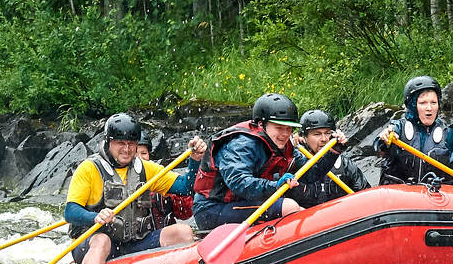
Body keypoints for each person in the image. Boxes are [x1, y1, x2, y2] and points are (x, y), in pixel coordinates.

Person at [64, 113, 208, 264]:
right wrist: (95, 217)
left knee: (183, 232)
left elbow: (185, 187)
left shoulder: (146, 169)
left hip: (134, 241)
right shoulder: (89, 169)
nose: (127, 149)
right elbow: (70, 212)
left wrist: (195, 161)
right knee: (102, 239)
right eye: (120, 143)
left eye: (131, 144)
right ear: (108, 142)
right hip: (93, 243)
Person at [191, 92, 344, 230]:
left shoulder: (284, 146)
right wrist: (275, 186)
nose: (285, 134)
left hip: (244, 203)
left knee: (299, 209)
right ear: (261, 124)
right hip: (212, 209)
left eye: (289, 128)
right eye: (279, 128)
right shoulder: (241, 145)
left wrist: (333, 152)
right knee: (289, 206)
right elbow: (239, 183)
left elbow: (310, 174)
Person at [374, 75, 453, 186]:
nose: (429, 108)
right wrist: (384, 139)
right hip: (399, 193)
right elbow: (380, 146)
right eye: (423, 103)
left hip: (435, 194)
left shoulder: (449, 135)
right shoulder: (398, 128)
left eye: (433, 103)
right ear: (412, 105)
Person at [288, 109, 370, 208]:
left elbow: (367, 197)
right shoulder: (294, 165)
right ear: (304, 137)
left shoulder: (346, 165)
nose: (324, 139)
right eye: (317, 134)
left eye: (327, 133)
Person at [136, 133, 194, 228]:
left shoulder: (159, 175)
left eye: (144, 153)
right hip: (136, 234)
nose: (140, 158)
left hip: (164, 233)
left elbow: (185, 212)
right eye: (135, 154)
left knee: (184, 230)